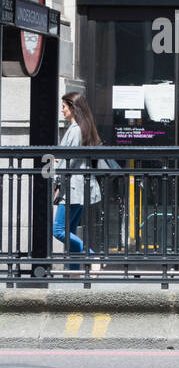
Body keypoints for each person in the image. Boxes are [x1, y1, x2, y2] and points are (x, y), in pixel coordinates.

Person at [53, 92, 102, 273]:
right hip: (80, 187)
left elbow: (68, 161)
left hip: (73, 188)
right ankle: (74, 272)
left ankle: (91, 256)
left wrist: (56, 183)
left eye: (64, 107)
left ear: (73, 108)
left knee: (58, 230)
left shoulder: (75, 130)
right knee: (70, 231)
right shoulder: (83, 128)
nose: (62, 110)